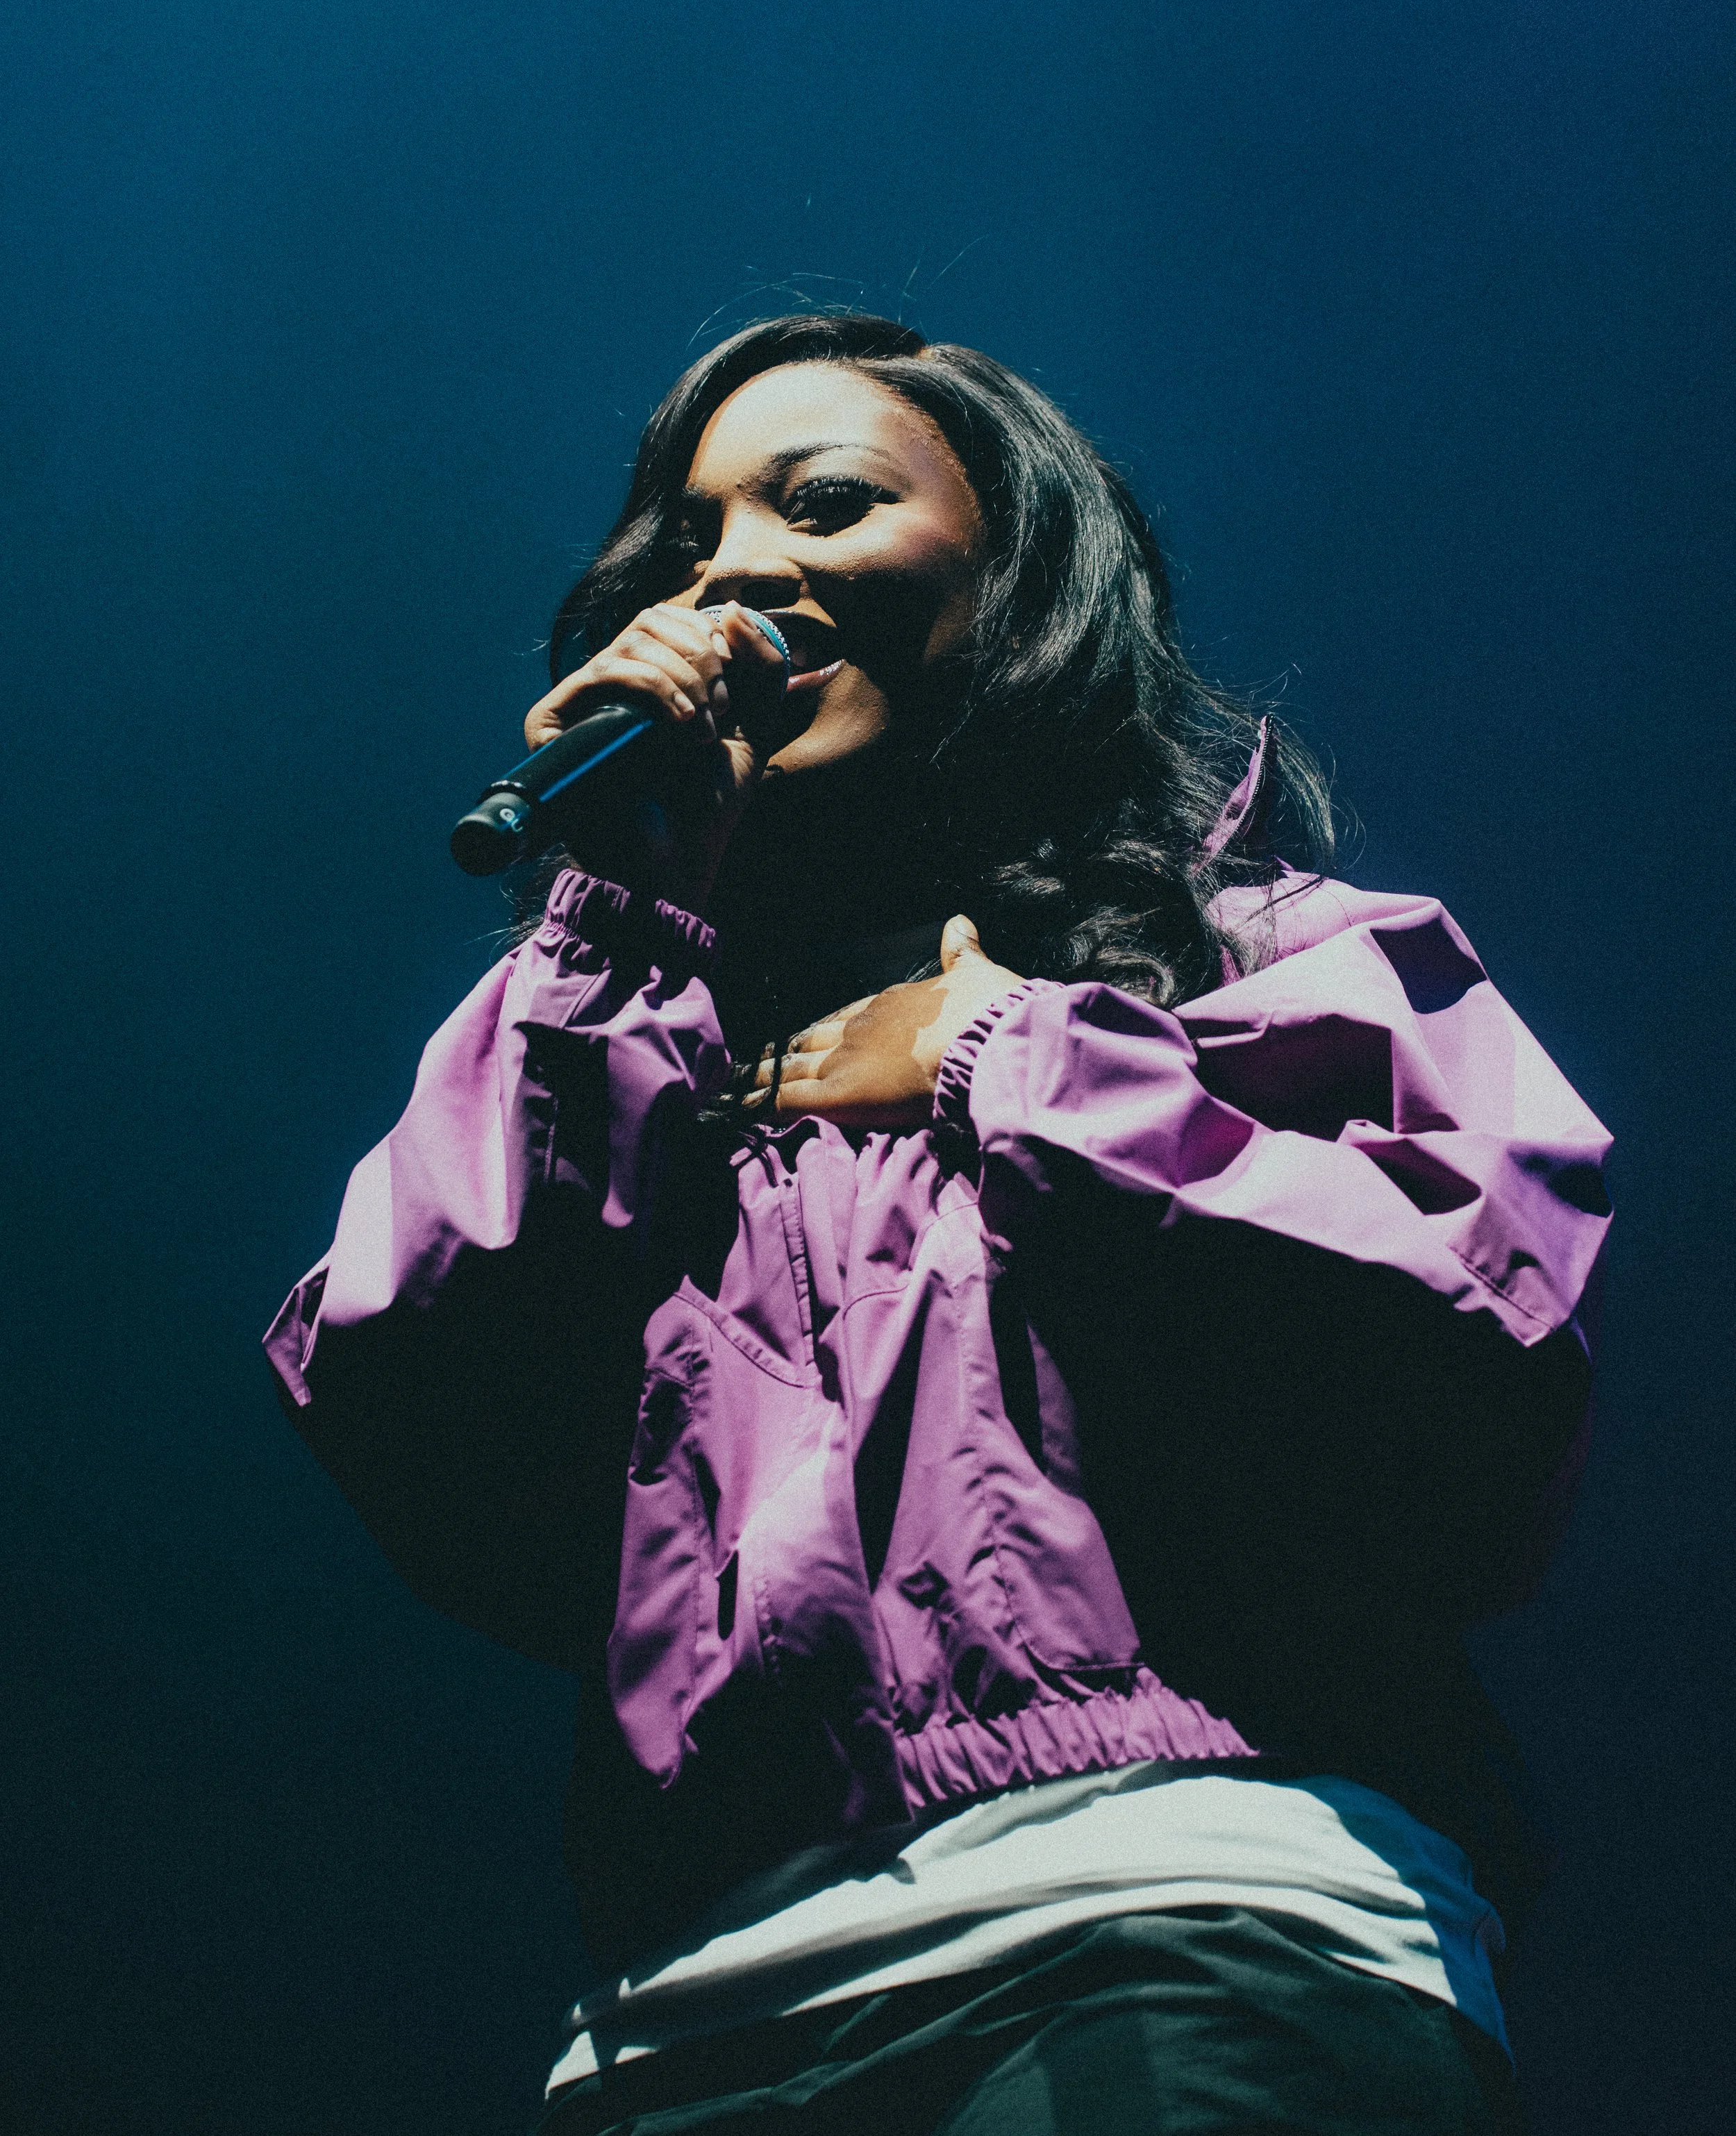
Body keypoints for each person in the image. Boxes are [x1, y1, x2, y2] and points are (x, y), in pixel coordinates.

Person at [266, 314, 1608, 2134]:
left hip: (1173, 1911)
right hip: (685, 2013)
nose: (738, 568)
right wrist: (609, 910)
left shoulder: (1269, 959)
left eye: (823, 502)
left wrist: (1005, 1055)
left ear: (1017, 568)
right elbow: (425, 1415)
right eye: (689, 543)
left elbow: (1455, 1347)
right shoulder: (617, 1047)